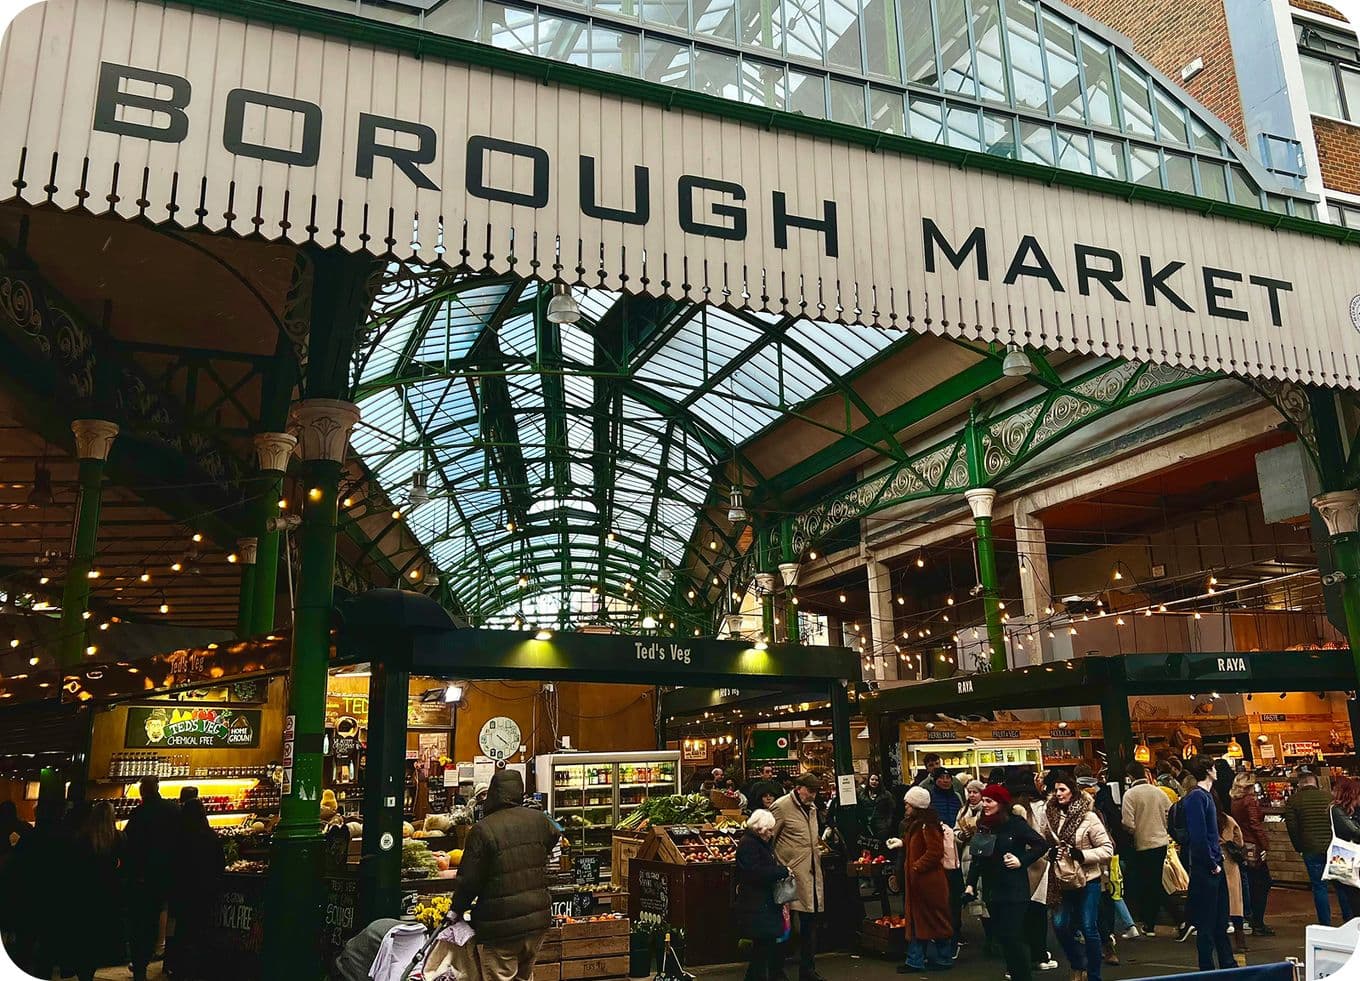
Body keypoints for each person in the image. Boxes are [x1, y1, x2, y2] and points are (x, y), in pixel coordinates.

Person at [451, 769, 562, 981]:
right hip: (537, 921)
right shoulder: (540, 820)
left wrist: (456, 909)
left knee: (500, 976)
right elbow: (556, 840)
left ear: (493, 793)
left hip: (500, 926)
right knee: (524, 976)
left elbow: (469, 880)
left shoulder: (483, 829)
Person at [963, 785, 1049, 981]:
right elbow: (978, 857)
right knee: (1003, 937)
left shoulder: (1015, 824)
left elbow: (1040, 844)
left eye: (989, 801)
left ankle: (1023, 976)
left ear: (1001, 803)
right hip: (993, 890)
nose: (984, 804)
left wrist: (1022, 860)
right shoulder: (984, 825)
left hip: (1014, 889)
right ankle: (1015, 972)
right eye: (983, 800)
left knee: (1013, 936)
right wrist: (970, 884)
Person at [1042, 773, 1113, 981]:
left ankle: (1093, 974)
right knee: (1060, 924)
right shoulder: (1050, 817)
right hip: (1061, 880)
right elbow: (1045, 845)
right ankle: (1077, 962)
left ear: (1072, 791)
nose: (1058, 794)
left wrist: (1082, 855)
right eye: (1056, 790)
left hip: (1088, 879)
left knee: (1089, 926)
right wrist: (1050, 854)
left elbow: (1107, 849)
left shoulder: (1089, 817)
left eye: (1062, 789)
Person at [887, 786, 953, 973]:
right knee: (928, 920)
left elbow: (934, 852)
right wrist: (902, 843)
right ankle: (934, 958)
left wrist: (916, 867)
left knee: (926, 919)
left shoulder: (926, 825)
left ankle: (919, 959)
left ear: (916, 805)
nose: (905, 805)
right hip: (924, 882)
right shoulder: (921, 824)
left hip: (926, 882)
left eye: (908, 803)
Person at [1178, 756, 1235, 970]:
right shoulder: (1197, 798)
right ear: (1208, 770)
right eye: (1213, 767)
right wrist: (1212, 863)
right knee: (1207, 923)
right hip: (1206, 868)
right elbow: (1199, 836)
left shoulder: (1205, 796)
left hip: (1212, 864)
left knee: (1219, 920)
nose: (1217, 771)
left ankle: (1227, 963)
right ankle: (1207, 967)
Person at [124, 775, 181, 981]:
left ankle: (141, 963)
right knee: (164, 915)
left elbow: (129, 845)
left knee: (142, 921)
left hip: (143, 877)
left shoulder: (140, 813)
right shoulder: (173, 810)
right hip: (167, 874)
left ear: (142, 792)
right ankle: (160, 951)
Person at [771, 773, 826, 981]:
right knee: (785, 926)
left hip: (811, 873)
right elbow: (770, 838)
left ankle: (808, 970)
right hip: (789, 877)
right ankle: (776, 970)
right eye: (810, 791)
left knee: (809, 923)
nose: (812, 795)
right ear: (799, 787)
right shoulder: (781, 807)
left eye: (815, 792)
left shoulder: (812, 809)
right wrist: (779, 868)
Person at [168, 798, 225, 979]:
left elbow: (172, 863)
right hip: (204, 891)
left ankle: (178, 967)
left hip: (183, 891)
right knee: (201, 929)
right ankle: (199, 968)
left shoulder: (179, 836)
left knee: (182, 930)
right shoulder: (210, 836)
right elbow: (220, 864)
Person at [69, 801, 126, 981]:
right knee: (101, 937)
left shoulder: (82, 838)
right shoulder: (119, 838)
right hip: (109, 895)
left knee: (84, 937)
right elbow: (124, 866)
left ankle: (83, 972)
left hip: (86, 895)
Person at [735, 809, 792, 981]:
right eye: (769, 830)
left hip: (761, 903)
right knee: (763, 946)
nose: (771, 833)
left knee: (763, 948)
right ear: (759, 829)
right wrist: (781, 872)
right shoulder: (749, 845)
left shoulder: (757, 843)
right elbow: (755, 872)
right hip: (757, 904)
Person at [1009, 775, 1058, 972]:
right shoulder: (1042, 807)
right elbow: (1048, 835)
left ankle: (1018, 961)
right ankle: (1039, 955)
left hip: (1014, 866)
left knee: (1017, 917)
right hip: (1039, 864)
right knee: (1038, 913)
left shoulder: (1008, 811)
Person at [1120, 761, 1172, 937]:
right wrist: (1163, 827)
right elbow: (1170, 813)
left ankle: (1176, 919)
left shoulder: (1130, 795)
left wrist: (1135, 830)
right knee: (1155, 881)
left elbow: (1128, 823)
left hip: (1143, 844)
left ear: (1130, 777)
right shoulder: (1158, 792)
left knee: (1150, 883)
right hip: (1161, 842)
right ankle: (1150, 923)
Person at [1285, 767, 1342, 925]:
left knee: (1319, 887)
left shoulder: (1293, 801)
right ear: (1315, 783)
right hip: (1333, 848)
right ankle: (1349, 919)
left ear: (1300, 784)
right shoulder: (1328, 797)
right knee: (1341, 885)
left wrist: (1299, 848)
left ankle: (1325, 924)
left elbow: (1292, 828)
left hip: (1310, 848)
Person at [1229, 772, 1274, 936]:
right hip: (1253, 844)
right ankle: (1258, 923)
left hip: (1242, 843)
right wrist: (1265, 845)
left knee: (1251, 883)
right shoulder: (1249, 801)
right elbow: (1255, 824)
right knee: (1263, 883)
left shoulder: (1234, 800)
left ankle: (1252, 919)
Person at [1217, 805, 1247, 956]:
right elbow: (1239, 841)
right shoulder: (1227, 820)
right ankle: (1240, 938)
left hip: (1211, 863)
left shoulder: (1203, 819)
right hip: (1229, 863)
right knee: (1235, 901)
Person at [1329, 777, 1360, 919]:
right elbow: (1353, 831)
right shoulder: (1336, 810)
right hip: (1346, 857)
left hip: (1350, 857)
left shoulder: (1353, 810)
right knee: (1351, 896)